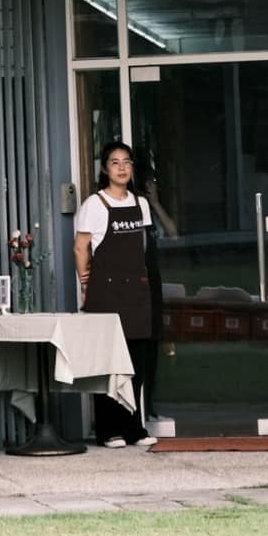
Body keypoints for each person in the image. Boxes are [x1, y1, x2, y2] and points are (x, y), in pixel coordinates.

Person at [73, 141, 159, 448]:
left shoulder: (141, 204)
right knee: (108, 362)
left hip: (136, 291)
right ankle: (109, 430)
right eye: (115, 162)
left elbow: (144, 246)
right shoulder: (94, 205)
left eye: (127, 162)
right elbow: (81, 248)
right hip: (106, 292)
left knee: (136, 361)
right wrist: (85, 283)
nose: (122, 168)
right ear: (104, 169)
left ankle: (134, 427)